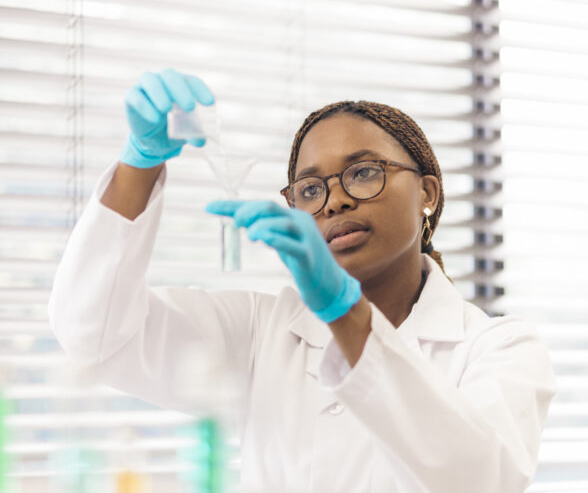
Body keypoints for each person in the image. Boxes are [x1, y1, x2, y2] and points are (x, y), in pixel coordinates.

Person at [49, 68, 557, 492]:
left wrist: (344, 312)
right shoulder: (261, 333)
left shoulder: (501, 349)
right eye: (310, 188)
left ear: (427, 192)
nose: (335, 201)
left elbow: (478, 480)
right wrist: (140, 162)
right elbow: (93, 334)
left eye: (363, 172)